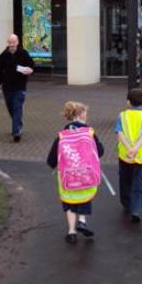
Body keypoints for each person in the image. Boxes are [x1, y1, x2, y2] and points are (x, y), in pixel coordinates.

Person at [47, 101, 104, 244]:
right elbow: (101, 151)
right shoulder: (89, 132)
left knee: (70, 202)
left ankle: (71, 231)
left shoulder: (62, 135)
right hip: (86, 175)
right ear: (80, 115)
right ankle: (82, 222)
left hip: (68, 177)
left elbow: (51, 159)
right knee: (84, 197)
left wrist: (55, 165)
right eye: (85, 113)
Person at [115, 88, 142, 222]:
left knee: (125, 180)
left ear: (128, 102)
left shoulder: (122, 116)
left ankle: (127, 204)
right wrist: (135, 148)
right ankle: (136, 209)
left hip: (125, 155)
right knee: (139, 182)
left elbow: (119, 134)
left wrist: (129, 149)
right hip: (140, 156)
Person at [0, 33, 34, 141]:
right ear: (7, 43)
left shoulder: (23, 53)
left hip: (20, 86)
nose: (12, 44)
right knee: (11, 107)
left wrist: (30, 70)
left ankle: (16, 132)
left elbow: (31, 65)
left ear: (17, 42)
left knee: (17, 106)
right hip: (7, 87)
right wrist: (1, 81)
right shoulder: (3, 56)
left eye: (14, 42)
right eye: (10, 42)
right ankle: (18, 124)